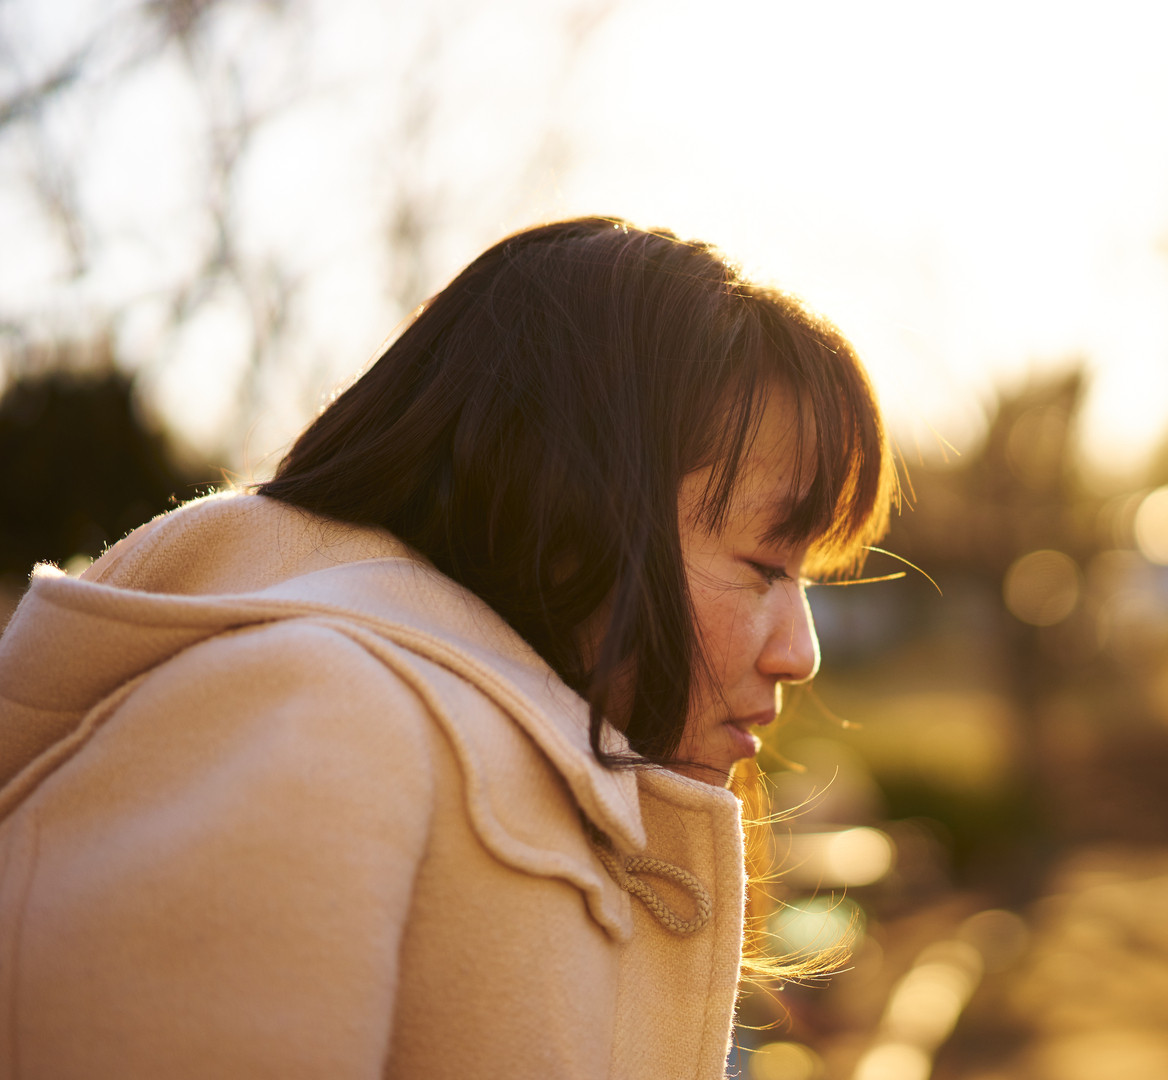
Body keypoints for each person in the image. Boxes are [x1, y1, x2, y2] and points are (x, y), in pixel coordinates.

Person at [0, 217, 895, 1078]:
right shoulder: (314, 725)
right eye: (765, 564)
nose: (802, 653)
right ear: (565, 509)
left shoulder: (537, 778)